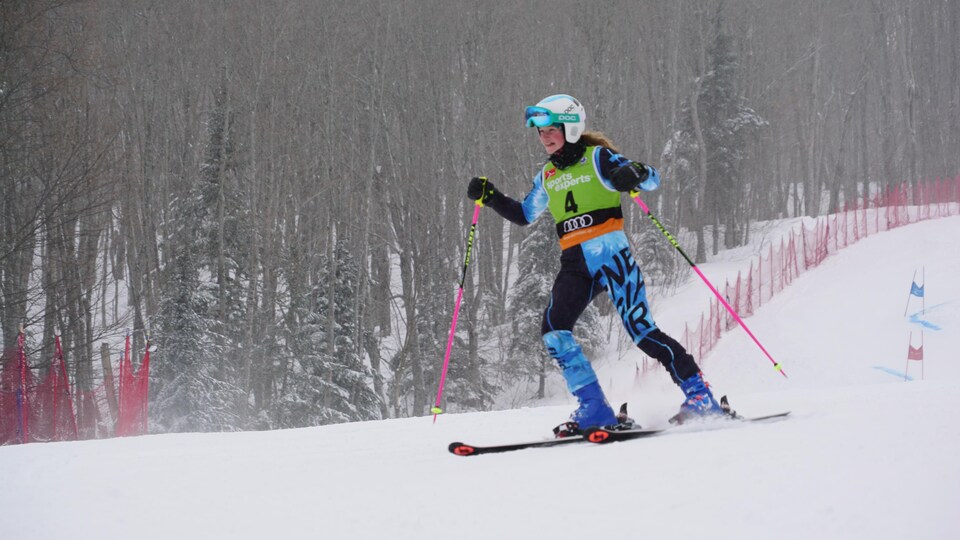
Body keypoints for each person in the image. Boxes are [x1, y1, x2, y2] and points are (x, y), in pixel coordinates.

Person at [466, 94, 723, 436]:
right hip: (575, 264)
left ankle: (700, 396)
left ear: (570, 128)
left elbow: (652, 179)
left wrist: (633, 172)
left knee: (643, 332)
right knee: (554, 328)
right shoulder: (548, 174)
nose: (544, 137)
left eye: (550, 129)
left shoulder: (598, 157)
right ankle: (594, 407)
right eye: (540, 132)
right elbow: (525, 214)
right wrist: (491, 196)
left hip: (612, 257)